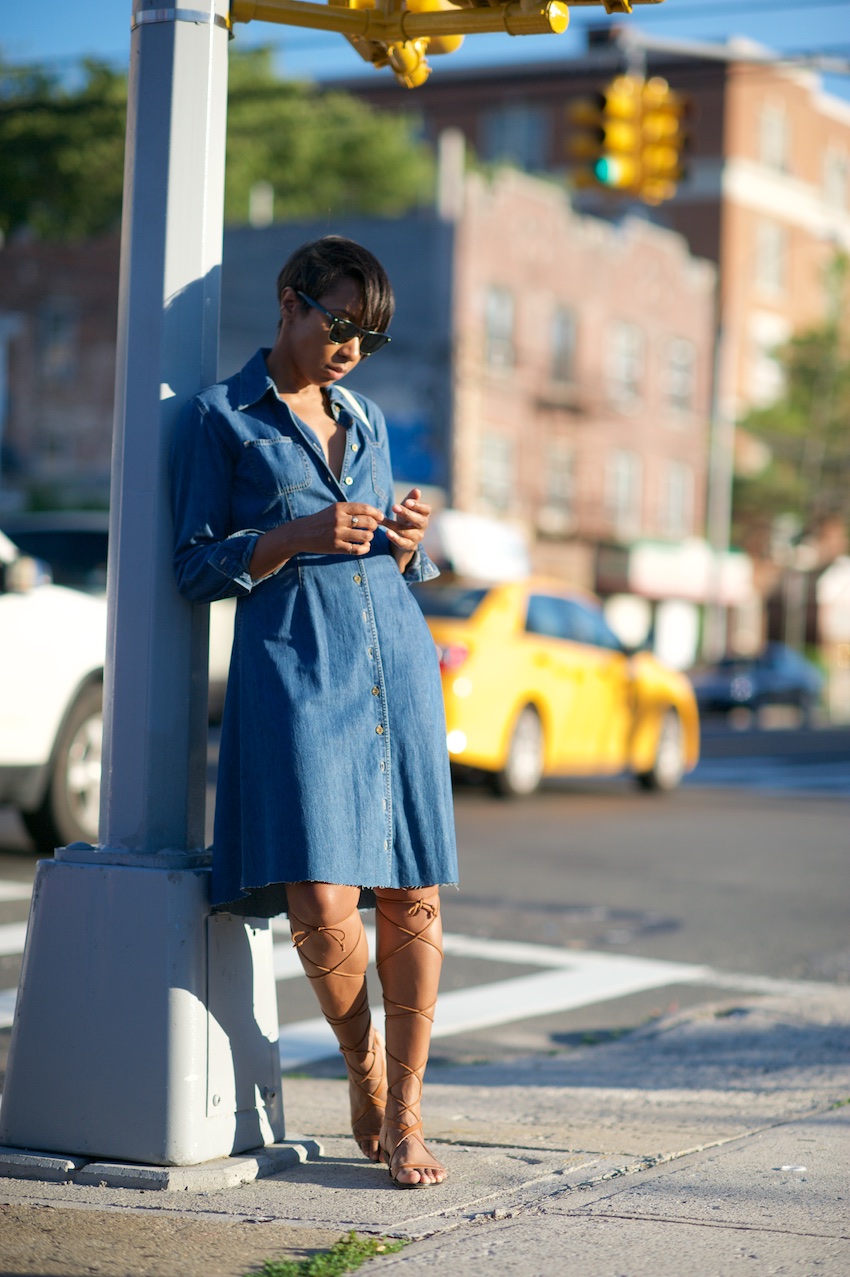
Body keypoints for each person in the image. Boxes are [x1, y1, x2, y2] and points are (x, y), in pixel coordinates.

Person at [170, 236, 458, 1188]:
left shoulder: (365, 418)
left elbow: (390, 549)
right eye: (339, 325)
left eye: (368, 337)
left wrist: (412, 543)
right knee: (322, 897)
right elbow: (192, 564)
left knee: (411, 894)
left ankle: (408, 1112)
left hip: (394, 663)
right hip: (297, 669)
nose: (350, 350)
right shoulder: (222, 417)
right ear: (291, 302)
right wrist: (291, 534)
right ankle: (363, 1066)